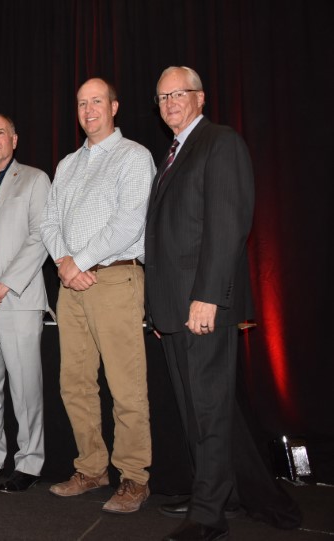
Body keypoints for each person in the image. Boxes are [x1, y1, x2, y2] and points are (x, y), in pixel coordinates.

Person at [147, 66, 301, 541]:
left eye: (179, 93)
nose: (170, 102)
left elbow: (228, 226)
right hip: (174, 309)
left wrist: (209, 297)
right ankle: (213, 493)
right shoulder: (174, 153)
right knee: (193, 412)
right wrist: (158, 308)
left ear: (201, 97)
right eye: (162, 97)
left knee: (210, 411)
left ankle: (209, 514)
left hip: (202, 306)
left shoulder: (220, 142)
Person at [40, 78, 155, 513]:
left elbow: (130, 222)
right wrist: (65, 263)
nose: (88, 110)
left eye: (96, 102)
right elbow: (49, 221)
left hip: (115, 280)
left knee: (126, 386)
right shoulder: (67, 164)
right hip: (71, 285)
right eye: (82, 103)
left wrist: (80, 262)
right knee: (74, 384)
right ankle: (91, 468)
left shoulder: (134, 156)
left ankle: (134, 477)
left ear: (114, 107)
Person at [0, 112, 50, 493]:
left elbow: (40, 236)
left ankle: (30, 461)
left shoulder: (35, 179)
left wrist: (4, 285)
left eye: (1, 132)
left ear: (14, 139)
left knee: (25, 387)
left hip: (17, 297)